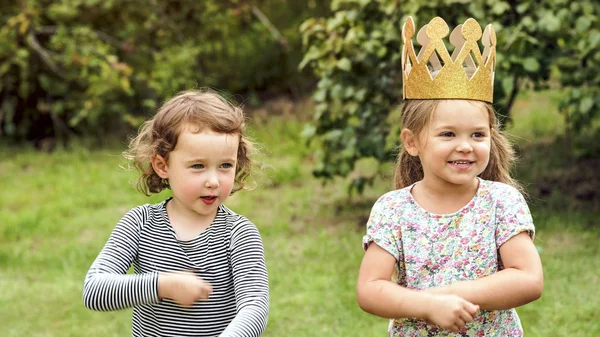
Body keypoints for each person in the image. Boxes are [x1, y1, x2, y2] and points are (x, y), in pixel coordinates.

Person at [356, 16, 543, 336]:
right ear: (412, 142)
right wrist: (427, 307)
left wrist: (444, 296)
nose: (465, 147)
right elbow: (370, 288)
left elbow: (528, 279)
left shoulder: (501, 202)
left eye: (477, 135)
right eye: (448, 134)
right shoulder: (393, 210)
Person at [83, 89, 269, 337]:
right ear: (162, 166)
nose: (213, 180)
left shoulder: (240, 234)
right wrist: (162, 285)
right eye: (198, 166)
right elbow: (95, 290)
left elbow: (255, 307)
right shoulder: (139, 224)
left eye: (225, 165)